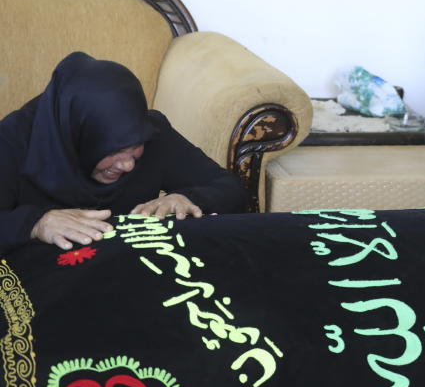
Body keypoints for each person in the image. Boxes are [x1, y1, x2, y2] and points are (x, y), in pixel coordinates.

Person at [0, 52, 249, 254]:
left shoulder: (152, 134)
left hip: (129, 276)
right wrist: (35, 223)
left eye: (134, 148)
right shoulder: (12, 141)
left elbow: (229, 188)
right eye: (114, 150)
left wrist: (187, 198)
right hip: (36, 284)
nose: (128, 165)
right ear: (80, 135)